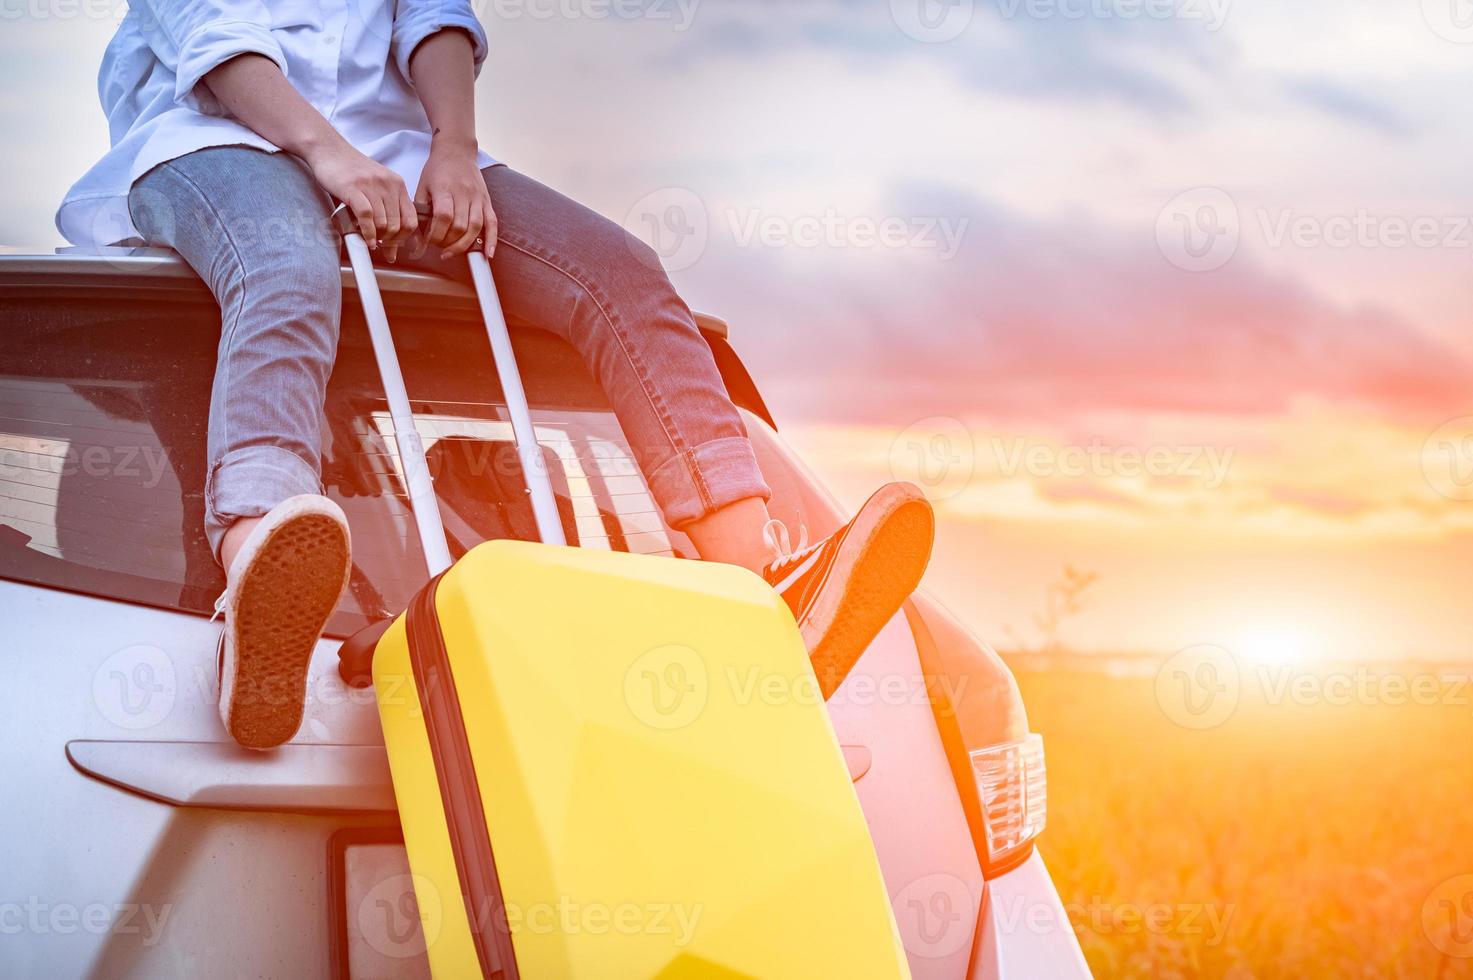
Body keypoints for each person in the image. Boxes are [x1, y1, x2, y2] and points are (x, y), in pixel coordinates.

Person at [57, 0, 936, 749]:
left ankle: (761, 584)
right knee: (287, 269)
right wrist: (328, 157)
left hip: (394, 153)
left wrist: (451, 148)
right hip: (217, 144)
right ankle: (259, 569)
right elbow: (217, 45)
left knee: (617, 273)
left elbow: (432, 15)